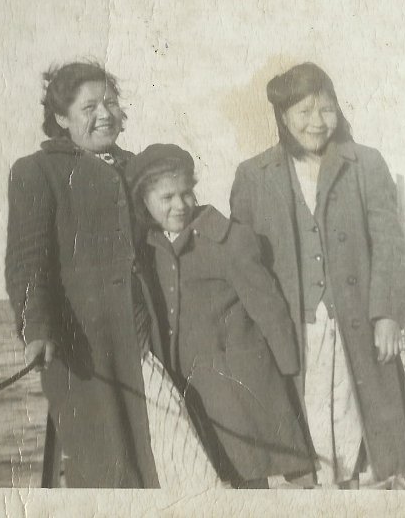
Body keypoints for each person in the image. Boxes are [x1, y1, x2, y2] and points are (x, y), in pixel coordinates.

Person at [4, 62, 219, 489]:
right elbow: (27, 261)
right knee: (112, 473)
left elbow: (185, 225)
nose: (104, 113)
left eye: (110, 102)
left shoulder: (141, 167)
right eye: (89, 107)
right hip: (86, 350)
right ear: (61, 118)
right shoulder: (36, 171)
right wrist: (36, 329)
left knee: (183, 463)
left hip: (152, 338)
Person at [229, 62, 405, 488]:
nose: (317, 123)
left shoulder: (365, 164)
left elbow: (390, 243)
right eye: (304, 112)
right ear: (283, 117)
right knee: (306, 434)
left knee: (361, 430)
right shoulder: (253, 175)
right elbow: (245, 266)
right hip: (296, 333)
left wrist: (388, 315)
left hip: (359, 326)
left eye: (327, 110)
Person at [126, 143, 313, 489]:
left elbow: (269, 309)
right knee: (219, 477)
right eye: (166, 198)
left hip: (242, 385)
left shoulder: (227, 240)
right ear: (144, 203)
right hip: (193, 388)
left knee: (263, 469)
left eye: (186, 193)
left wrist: (292, 376)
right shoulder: (148, 249)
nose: (180, 205)